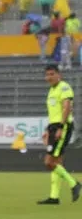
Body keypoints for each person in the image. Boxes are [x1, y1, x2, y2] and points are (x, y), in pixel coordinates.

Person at [38, 65, 81, 205]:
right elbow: (54, 113)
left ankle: (74, 183)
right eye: (47, 75)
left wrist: (60, 127)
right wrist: (47, 129)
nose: (49, 77)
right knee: (57, 162)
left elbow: (67, 107)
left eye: (52, 74)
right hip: (54, 126)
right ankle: (54, 197)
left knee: (49, 162)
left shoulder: (64, 87)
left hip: (62, 126)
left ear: (59, 74)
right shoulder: (52, 90)